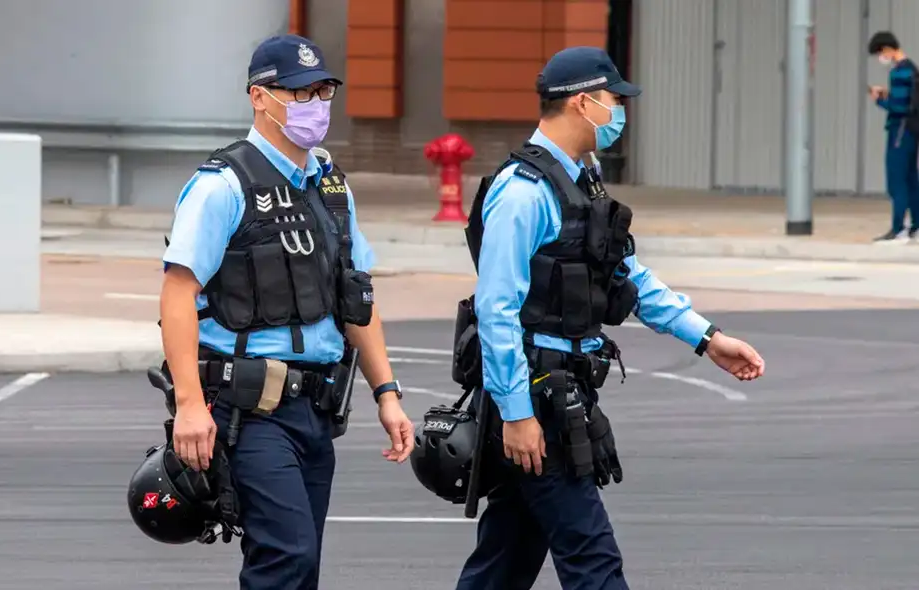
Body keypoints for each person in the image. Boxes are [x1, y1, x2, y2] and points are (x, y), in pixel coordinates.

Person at [453, 46, 766, 590]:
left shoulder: (583, 179)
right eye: (614, 100)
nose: (620, 112)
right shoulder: (523, 193)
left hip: (563, 388)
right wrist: (517, 414)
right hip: (538, 396)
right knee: (593, 562)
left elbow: (628, 274)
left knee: (504, 561)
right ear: (581, 103)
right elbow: (496, 311)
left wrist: (706, 337)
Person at [159, 33, 414, 590]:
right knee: (286, 557)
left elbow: (357, 299)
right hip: (250, 412)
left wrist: (387, 395)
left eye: (322, 90)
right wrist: (188, 406)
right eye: (298, 93)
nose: (315, 104)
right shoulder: (223, 185)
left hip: (315, 410)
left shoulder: (330, 186)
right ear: (259, 96)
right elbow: (177, 294)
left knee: (301, 565)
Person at [867, 30, 919, 244]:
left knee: (896, 181)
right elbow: (908, 100)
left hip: (899, 130)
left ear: (887, 49)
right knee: (911, 179)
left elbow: (898, 107)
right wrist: (888, 94)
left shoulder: (898, 72)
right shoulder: (912, 68)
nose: (881, 58)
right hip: (912, 131)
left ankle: (898, 229)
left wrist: (878, 100)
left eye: (880, 53)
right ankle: (915, 226)